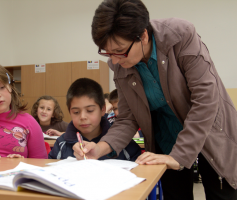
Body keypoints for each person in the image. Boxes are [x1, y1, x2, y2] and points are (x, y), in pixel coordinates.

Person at [73, 0, 237, 199]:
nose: (114, 60)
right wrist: (99, 148)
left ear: (143, 35)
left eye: (120, 51)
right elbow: (127, 118)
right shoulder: (119, 64)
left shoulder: (180, 35)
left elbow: (206, 100)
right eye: (107, 52)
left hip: (209, 131)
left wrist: (178, 156)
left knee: (221, 190)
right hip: (166, 137)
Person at [48, 78, 141, 161]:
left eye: (90, 110)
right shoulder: (61, 144)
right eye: (76, 112)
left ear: (103, 109)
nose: (83, 117)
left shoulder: (122, 142)